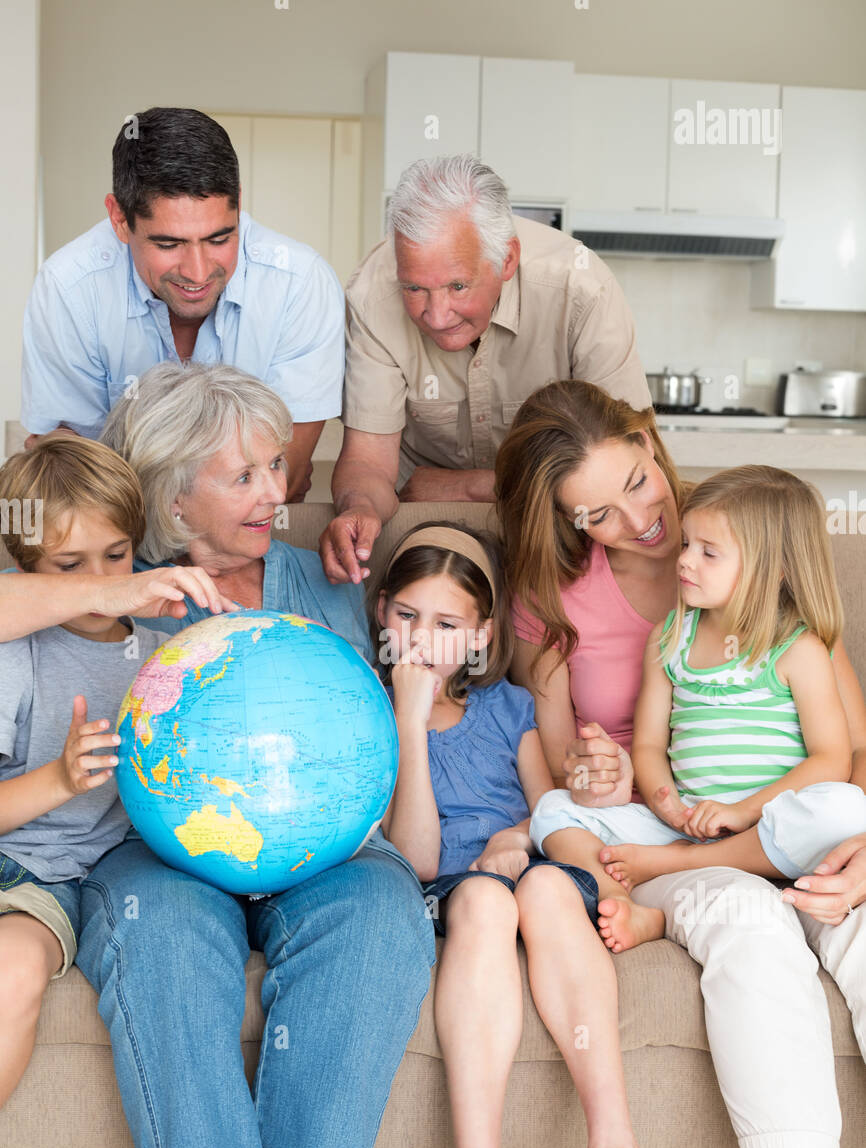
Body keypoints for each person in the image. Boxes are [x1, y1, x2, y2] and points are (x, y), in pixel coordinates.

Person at [0, 362, 435, 1148]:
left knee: (383, 926)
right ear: (171, 492)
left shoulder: (318, 578)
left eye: (277, 467)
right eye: (243, 476)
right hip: (157, 853)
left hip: (326, 852)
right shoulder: (112, 582)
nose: (279, 494)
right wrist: (121, 594)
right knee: (162, 942)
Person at [496, 378, 866, 1148]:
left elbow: (846, 749)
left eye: (639, 480)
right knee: (752, 935)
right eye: (598, 513)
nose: (639, 520)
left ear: (650, 440)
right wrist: (599, 773)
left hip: (790, 818)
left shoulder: (749, 539)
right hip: (659, 835)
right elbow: (557, 761)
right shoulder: (557, 599)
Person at [371, 521, 652, 1148]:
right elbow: (419, 856)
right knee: (485, 904)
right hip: (448, 894)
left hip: (530, 876)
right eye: (406, 617)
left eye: (448, 624)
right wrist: (406, 719)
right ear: (381, 616)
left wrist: (513, 836)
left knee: (543, 884)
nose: (423, 641)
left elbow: (554, 813)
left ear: (484, 635)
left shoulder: (509, 709)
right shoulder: (364, 712)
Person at [527, 465, 866, 952]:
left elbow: (832, 760)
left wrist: (741, 811)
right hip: (686, 823)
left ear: (775, 570)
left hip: (768, 826)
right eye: (687, 544)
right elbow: (647, 744)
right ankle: (626, 899)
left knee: (845, 807)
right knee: (553, 811)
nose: (684, 562)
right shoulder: (669, 638)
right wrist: (667, 803)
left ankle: (678, 865)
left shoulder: (799, 649)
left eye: (709, 553)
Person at [0, 437, 225, 1107]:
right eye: (69, 566)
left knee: (13, 969)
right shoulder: (16, 651)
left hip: (45, 882)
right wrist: (59, 780)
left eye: (118, 555)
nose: (103, 580)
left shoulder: (164, 658)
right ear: (27, 567)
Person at [319, 154, 651, 584]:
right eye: (414, 288)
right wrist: (359, 508)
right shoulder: (371, 296)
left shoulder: (581, 289)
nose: (436, 316)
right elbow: (368, 463)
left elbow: (627, 464)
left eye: (458, 286)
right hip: (421, 524)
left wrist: (472, 486)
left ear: (507, 260)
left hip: (562, 522)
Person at [21, 107, 345, 502]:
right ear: (119, 219)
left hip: (252, 541)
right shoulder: (68, 289)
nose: (197, 272)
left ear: (238, 205)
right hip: (121, 540)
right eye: (169, 244)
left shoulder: (301, 284)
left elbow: (284, 480)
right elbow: (69, 472)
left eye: (219, 239)